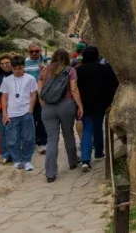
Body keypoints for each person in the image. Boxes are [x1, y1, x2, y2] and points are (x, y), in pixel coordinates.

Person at [39, 48, 84, 183]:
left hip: (48, 107)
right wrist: (80, 106)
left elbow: (39, 90)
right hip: (67, 105)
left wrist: (44, 106)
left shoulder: (45, 70)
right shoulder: (70, 70)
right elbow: (74, 89)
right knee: (68, 132)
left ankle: (50, 173)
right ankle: (72, 161)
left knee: (52, 139)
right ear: (67, 58)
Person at [76, 46, 119, 171]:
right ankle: (99, 152)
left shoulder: (79, 70)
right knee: (98, 127)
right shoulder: (104, 69)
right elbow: (113, 85)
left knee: (87, 129)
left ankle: (85, 159)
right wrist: (110, 102)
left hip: (84, 105)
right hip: (100, 104)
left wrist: (78, 105)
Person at [0, 55, 38, 171]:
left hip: (26, 113)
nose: (17, 71)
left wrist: (30, 110)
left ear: (24, 67)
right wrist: (5, 114)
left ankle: (27, 160)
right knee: (12, 139)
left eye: (20, 68)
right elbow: (4, 98)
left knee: (28, 138)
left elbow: (33, 95)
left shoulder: (30, 78)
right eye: (15, 69)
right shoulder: (7, 80)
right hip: (11, 114)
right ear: (12, 68)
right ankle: (17, 160)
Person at [24, 43, 49, 154]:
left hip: (42, 95)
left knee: (42, 118)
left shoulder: (46, 62)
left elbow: (52, 77)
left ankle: (42, 142)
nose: (34, 53)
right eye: (31, 51)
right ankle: (32, 141)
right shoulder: (24, 63)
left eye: (37, 51)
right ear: (28, 51)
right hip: (28, 95)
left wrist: (45, 70)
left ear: (40, 51)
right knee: (30, 119)